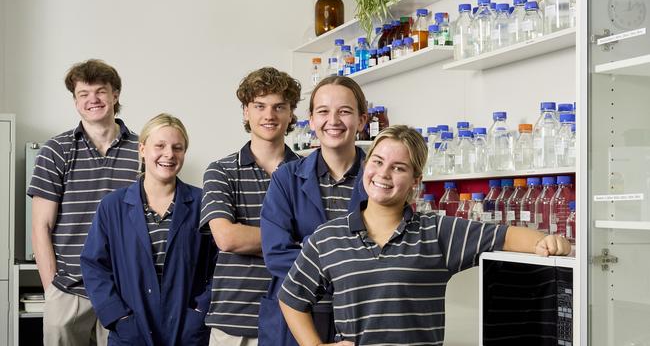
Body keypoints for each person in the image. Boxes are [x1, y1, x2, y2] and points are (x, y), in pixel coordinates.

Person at [278, 125, 572, 345]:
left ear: (415, 181)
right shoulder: (328, 237)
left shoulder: (437, 231)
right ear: (366, 166)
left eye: (399, 168)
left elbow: (505, 236)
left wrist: (544, 242)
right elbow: (291, 298)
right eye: (377, 162)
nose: (384, 173)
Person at [27, 59, 140, 346]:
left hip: (124, 290)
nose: (93, 100)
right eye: (83, 94)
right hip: (69, 290)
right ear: (75, 101)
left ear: (115, 95)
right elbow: (41, 225)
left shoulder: (142, 150)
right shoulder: (56, 150)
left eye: (100, 91)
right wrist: (52, 289)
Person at [80, 113, 215, 345]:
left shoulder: (204, 204)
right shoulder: (113, 206)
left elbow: (220, 265)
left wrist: (200, 312)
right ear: (142, 149)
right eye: (159, 146)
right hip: (131, 331)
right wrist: (118, 316)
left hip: (187, 330)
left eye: (178, 147)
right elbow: (94, 266)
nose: (169, 154)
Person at [259, 76, 369, 346]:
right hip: (298, 315)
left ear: (362, 121)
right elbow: (276, 253)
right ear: (311, 120)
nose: (333, 120)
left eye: (344, 111)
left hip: (361, 315)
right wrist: (345, 264)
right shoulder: (286, 179)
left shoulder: (378, 179)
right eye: (323, 111)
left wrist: (310, 247)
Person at [200, 67, 302, 346]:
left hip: (295, 318)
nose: (269, 115)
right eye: (259, 106)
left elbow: (325, 239)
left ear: (291, 113)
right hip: (234, 320)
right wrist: (295, 239)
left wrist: (255, 236)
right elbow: (227, 238)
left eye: (279, 106)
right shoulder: (221, 171)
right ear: (246, 111)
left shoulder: (308, 172)